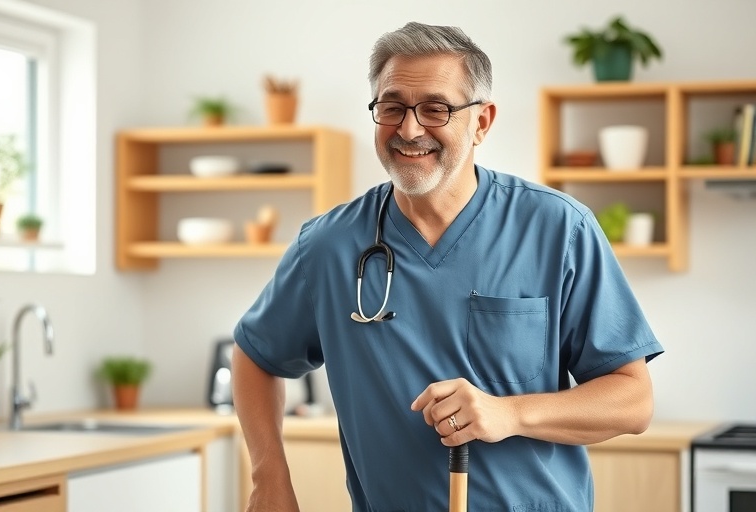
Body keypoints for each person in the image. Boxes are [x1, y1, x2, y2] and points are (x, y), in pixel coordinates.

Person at [231, 21, 663, 512]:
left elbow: (633, 401)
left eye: (435, 109)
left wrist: (509, 413)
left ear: (481, 122)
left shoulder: (559, 229)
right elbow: (254, 356)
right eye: (392, 107)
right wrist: (269, 479)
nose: (409, 129)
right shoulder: (327, 246)